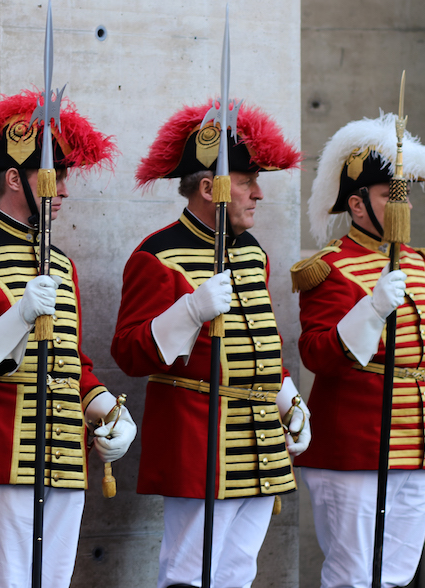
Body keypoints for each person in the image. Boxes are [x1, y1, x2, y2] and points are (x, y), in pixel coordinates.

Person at [0, 90, 137, 588]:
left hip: (66, 455)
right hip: (1, 454)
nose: (65, 189)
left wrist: (108, 410)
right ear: (13, 178)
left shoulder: (61, 263)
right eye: (57, 175)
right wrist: (18, 315)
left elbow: (71, 363)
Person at [111, 100, 307, 588]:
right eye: (246, 181)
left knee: (238, 572)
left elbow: (262, 338)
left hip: (259, 437)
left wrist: (287, 397)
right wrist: (189, 311)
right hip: (201, 439)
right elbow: (129, 352)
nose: (258, 193)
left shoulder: (252, 251)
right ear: (209, 187)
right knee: (188, 574)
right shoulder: (157, 254)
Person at [292, 112, 425, 588]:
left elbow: (423, 338)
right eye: (389, 192)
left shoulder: (416, 260)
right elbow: (316, 353)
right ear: (356, 203)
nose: (401, 201)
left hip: (418, 444)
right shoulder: (329, 268)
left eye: (404, 191)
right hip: (356, 445)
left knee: (394, 577)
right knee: (353, 577)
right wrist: (370, 311)